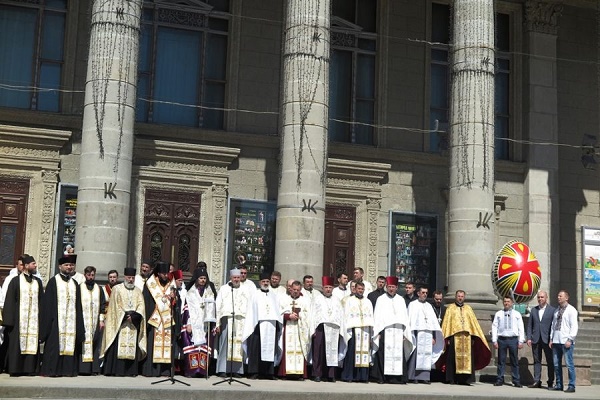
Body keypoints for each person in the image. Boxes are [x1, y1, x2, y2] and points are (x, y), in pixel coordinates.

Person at [40, 254, 85, 377]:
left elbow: (78, 306)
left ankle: (68, 371)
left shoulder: (75, 283)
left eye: (71, 265)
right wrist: (50, 322)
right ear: (60, 266)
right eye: (66, 265)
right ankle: (52, 370)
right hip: (56, 322)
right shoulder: (53, 281)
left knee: (70, 344)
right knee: (54, 346)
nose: (69, 267)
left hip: (71, 322)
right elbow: (48, 305)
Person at [437, 290, 491, 385]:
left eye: (462, 296)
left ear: (464, 297)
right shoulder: (450, 308)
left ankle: (465, 380)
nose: (460, 298)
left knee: (467, 359)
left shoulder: (468, 309)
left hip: (467, 338)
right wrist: (447, 339)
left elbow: (473, 324)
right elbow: (446, 324)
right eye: (458, 296)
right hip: (455, 337)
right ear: (455, 296)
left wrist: (474, 338)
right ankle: (452, 379)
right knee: (453, 358)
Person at [1, 255, 43, 376]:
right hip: (19, 321)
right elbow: (9, 302)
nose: (35, 266)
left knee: (32, 342)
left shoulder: (38, 282)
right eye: (33, 264)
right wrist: (9, 321)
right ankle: (16, 369)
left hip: (34, 320)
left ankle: (30, 369)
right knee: (17, 345)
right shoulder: (15, 281)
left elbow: (41, 302)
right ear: (26, 266)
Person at [100, 267, 146, 376]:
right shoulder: (117, 289)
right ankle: (117, 370)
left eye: (132, 278)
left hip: (133, 323)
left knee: (131, 345)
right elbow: (115, 306)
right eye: (129, 277)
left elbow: (141, 306)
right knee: (117, 345)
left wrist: (134, 317)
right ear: (125, 277)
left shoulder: (138, 291)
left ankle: (130, 371)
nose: (130, 280)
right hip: (120, 322)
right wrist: (125, 316)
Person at [371, 276, 414, 384]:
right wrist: (378, 332)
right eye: (389, 287)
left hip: (399, 332)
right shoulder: (381, 299)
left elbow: (405, 317)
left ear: (397, 287)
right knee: (382, 354)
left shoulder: (401, 300)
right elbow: (378, 317)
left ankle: (399, 378)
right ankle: (382, 378)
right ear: (386, 287)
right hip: (385, 332)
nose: (391, 289)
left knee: (399, 354)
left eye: (393, 287)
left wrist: (405, 333)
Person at [140, 260, 178, 377]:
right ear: (158, 273)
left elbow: (177, 303)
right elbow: (146, 302)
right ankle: (152, 370)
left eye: (167, 273)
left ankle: (165, 371)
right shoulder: (150, 284)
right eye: (163, 274)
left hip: (166, 320)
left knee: (167, 345)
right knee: (153, 345)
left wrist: (174, 298)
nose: (165, 276)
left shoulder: (171, 285)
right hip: (154, 320)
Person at [242, 272, 282, 380]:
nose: (265, 283)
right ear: (260, 282)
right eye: (263, 281)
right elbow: (251, 311)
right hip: (258, 326)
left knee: (270, 349)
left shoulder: (274, 295)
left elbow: (278, 310)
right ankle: (254, 372)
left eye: (267, 281)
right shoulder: (255, 294)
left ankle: (269, 373)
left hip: (271, 326)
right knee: (256, 350)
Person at [180, 266, 217, 377]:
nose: (203, 280)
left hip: (205, 325)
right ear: (196, 279)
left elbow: (213, 309)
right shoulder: (190, 294)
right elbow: (187, 310)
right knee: (193, 347)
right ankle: (191, 371)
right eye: (201, 278)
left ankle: (202, 371)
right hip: (193, 324)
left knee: (203, 348)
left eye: (204, 278)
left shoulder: (210, 293)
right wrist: (188, 323)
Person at [214, 268, 250, 377]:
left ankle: (236, 370)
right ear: (230, 278)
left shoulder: (245, 289)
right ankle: (222, 370)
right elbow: (218, 305)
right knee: (225, 344)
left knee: (238, 345)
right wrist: (217, 323)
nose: (236, 279)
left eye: (238, 278)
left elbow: (249, 305)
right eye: (234, 277)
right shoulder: (224, 289)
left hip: (241, 320)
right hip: (227, 319)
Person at [310, 276, 344, 382]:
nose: (328, 289)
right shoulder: (317, 299)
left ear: (333, 288)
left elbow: (341, 315)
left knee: (332, 351)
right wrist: (313, 329)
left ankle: (330, 374)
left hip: (333, 329)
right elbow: (312, 314)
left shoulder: (337, 300)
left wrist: (341, 329)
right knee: (318, 352)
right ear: (323, 288)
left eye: (330, 287)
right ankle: (317, 374)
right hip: (320, 328)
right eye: (326, 287)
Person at [407, 287, 443, 384]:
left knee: (426, 356)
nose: (425, 294)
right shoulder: (413, 304)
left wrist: (434, 336)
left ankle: (425, 377)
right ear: (418, 293)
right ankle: (414, 377)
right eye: (423, 292)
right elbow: (410, 320)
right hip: (417, 334)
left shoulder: (429, 306)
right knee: (416, 356)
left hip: (428, 335)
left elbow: (434, 323)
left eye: (426, 293)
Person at [277, 280, 311, 379]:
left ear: (300, 290)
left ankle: (299, 373)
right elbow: (279, 313)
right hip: (288, 328)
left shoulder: (305, 301)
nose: (295, 291)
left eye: (297, 290)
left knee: (300, 349)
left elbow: (308, 315)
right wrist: (288, 316)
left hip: (300, 329)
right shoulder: (284, 299)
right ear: (290, 289)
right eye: (294, 289)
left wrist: (299, 316)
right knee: (287, 348)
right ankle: (285, 373)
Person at [341, 281, 374, 383]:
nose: (361, 291)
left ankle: (362, 377)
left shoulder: (368, 301)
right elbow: (345, 315)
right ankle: (350, 376)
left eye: (362, 289)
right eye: (359, 289)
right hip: (354, 329)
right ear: (355, 289)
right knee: (352, 353)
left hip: (365, 330)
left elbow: (371, 316)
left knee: (364, 353)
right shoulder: (349, 300)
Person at [78, 266, 107, 375]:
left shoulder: (99, 289)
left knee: (95, 343)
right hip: (84, 321)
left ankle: (94, 369)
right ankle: (83, 369)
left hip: (95, 321)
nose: (91, 277)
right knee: (83, 343)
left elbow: (103, 305)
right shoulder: (79, 288)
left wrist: (101, 320)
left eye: (92, 275)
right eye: (88, 275)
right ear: (85, 275)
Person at [491, 296, 525, 387]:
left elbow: (521, 327)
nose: (506, 303)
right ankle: (500, 379)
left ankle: (516, 380)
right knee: (501, 361)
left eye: (508, 301)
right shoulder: (499, 314)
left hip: (513, 339)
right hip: (502, 339)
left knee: (514, 360)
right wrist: (494, 340)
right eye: (505, 301)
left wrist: (521, 340)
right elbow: (494, 327)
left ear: (512, 303)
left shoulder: (517, 314)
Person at [549, 290, 578, 393]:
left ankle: (571, 385)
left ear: (566, 298)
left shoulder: (571, 310)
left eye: (560, 296)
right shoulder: (556, 311)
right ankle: (559, 384)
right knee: (556, 364)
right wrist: (551, 339)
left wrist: (570, 339)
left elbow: (574, 326)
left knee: (569, 364)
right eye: (558, 296)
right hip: (556, 340)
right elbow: (553, 326)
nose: (558, 297)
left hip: (566, 341)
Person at [526, 290, 555, 389]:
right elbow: (530, 325)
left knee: (549, 361)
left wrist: (552, 339)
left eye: (542, 297)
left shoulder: (552, 310)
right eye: (538, 297)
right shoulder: (534, 310)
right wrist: (529, 338)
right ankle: (537, 381)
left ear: (546, 298)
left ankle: (550, 381)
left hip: (547, 339)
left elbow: (553, 326)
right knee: (537, 361)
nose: (540, 299)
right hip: (536, 339)